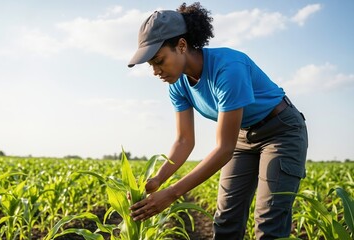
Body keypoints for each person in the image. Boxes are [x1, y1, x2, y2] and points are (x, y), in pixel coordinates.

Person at [127, 2, 308, 240]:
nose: (155, 71)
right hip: (243, 136)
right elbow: (183, 140)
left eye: (159, 60)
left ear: (181, 45)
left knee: (269, 222)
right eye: (151, 65)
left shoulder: (228, 69)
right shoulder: (178, 84)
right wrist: (158, 180)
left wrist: (172, 193)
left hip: (281, 132)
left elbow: (224, 149)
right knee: (226, 220)